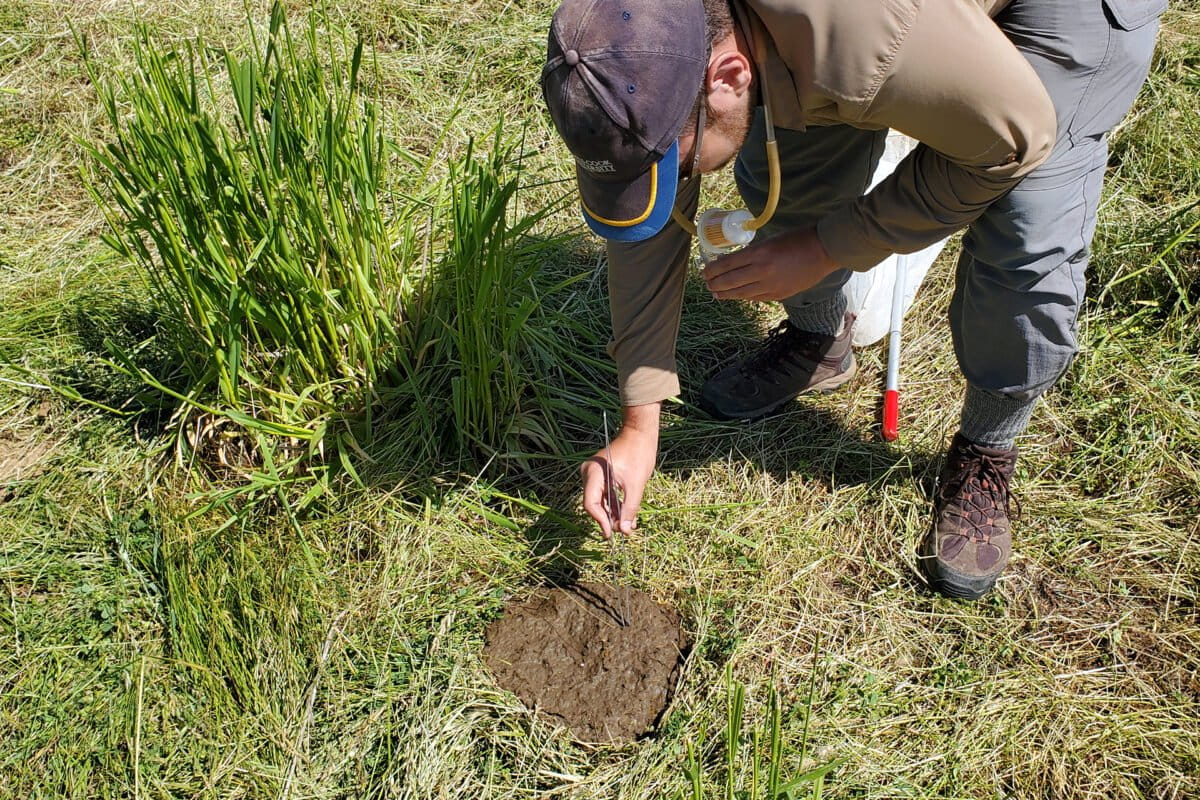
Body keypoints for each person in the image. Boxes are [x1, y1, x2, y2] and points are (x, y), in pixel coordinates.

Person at [539, 0, 1164, 599]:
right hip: (856, 35)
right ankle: (820, 342)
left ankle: (987, 445)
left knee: (1027, 237)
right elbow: (650, 215)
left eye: (676, 165)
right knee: (790, 181)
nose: (674, 180)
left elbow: (1015, 140)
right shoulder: (636, 38)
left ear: (726, 74)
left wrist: (826, 247)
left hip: (1048, 18)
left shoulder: (866, 45)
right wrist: (639, 421)